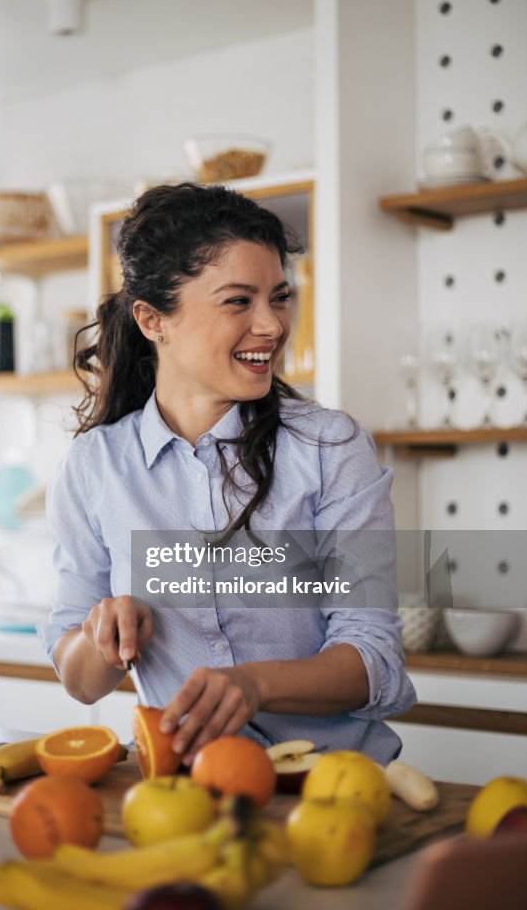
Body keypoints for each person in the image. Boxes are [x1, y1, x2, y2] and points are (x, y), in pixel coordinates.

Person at [40, 182, 416, 766]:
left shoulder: (329, 448)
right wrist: (102, 635)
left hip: (331, 787)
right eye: (239, 301)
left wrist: (255, 683)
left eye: (280, 297)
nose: (270, 325)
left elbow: (374, 658)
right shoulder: (95, 468)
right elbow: (80, 681)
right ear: (152, 319)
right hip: (188, 793)